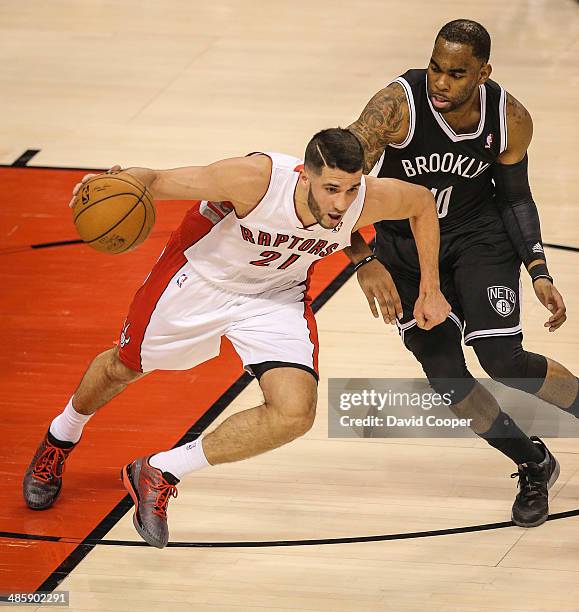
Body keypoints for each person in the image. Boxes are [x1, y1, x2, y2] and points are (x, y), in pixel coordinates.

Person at [23, 128, 450, 548]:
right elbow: (153, 180)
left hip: (275, 295)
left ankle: (160, 470)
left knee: (294, 413)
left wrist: (427, 287)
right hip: (202, 280)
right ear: (305, 176)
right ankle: (61, 437)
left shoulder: (365, 199)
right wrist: (110, 184)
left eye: (352, 189)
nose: (342, 203)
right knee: (124, 367)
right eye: (332, 189)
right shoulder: (255, 180)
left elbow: (422, 204)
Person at [346, 19, 579, 528]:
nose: (440, 82)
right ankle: (532, 461)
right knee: (448, 377)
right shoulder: (396, 108)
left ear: (484, 72)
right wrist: (364, 260)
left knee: (503, 359)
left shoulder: (510, 118)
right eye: (434, 67)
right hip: (405, 249)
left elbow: (516, 197)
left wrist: (538, 268)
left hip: (478, 239)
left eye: (456, 73)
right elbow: (336, 181)